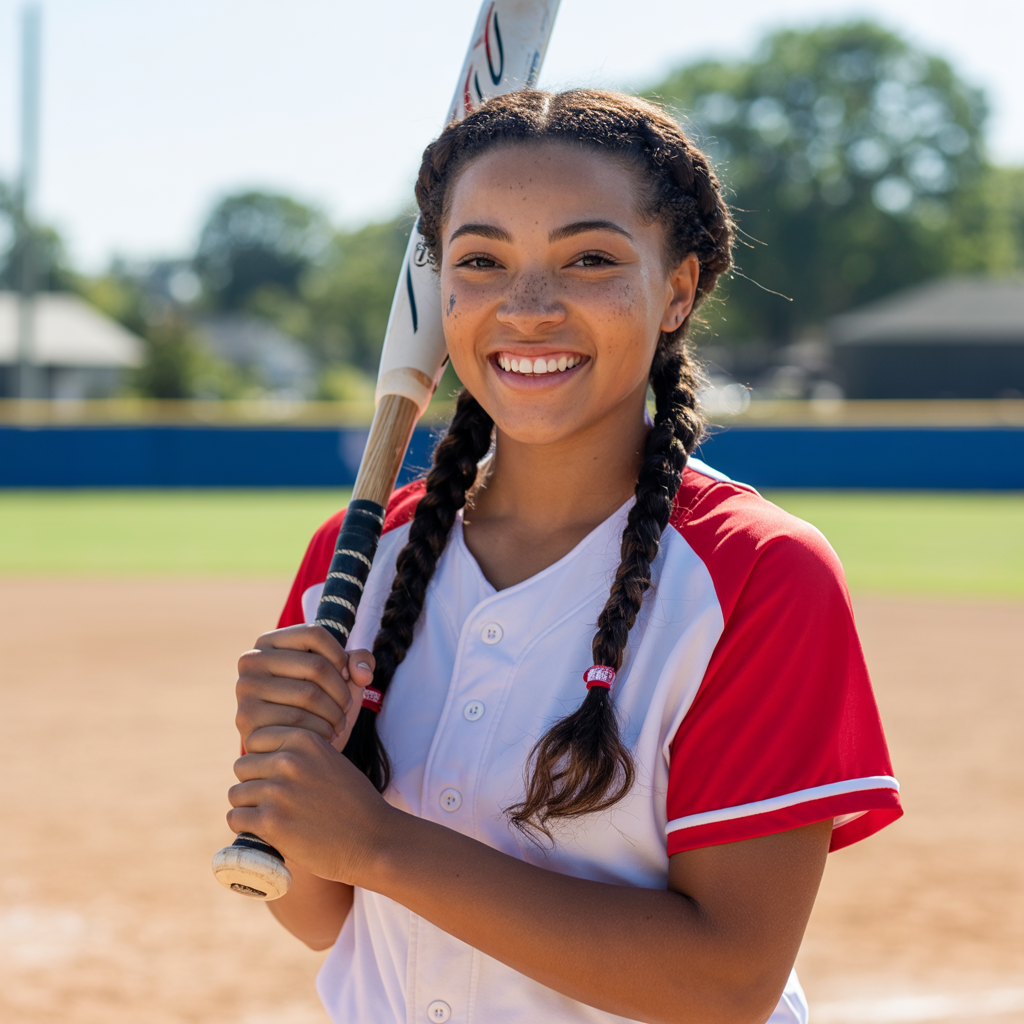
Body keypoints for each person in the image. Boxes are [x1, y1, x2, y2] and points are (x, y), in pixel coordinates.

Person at [227, 89, 902, 1024]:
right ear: (441, 295)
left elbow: (729, 981)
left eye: (589, 259)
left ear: (675, 291)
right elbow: (320, 913)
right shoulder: (360, 556)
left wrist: (380, 842)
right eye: (481, 260)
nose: (529, 306)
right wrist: (284, 765)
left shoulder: (757, 570)